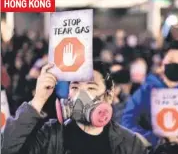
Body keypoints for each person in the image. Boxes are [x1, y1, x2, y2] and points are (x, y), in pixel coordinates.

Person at [2, 60, 147, 154]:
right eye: (75, 87)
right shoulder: (50, 135)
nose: (80, 96)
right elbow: (5, 148)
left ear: (109, 96)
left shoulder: (130, 144)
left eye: (91, 88)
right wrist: (38, 99)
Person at [121, 41, 178, 146]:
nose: (175, 65)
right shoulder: (145, 91)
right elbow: (127, 122)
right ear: (162, 63)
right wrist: (155, 139)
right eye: (171, 61)